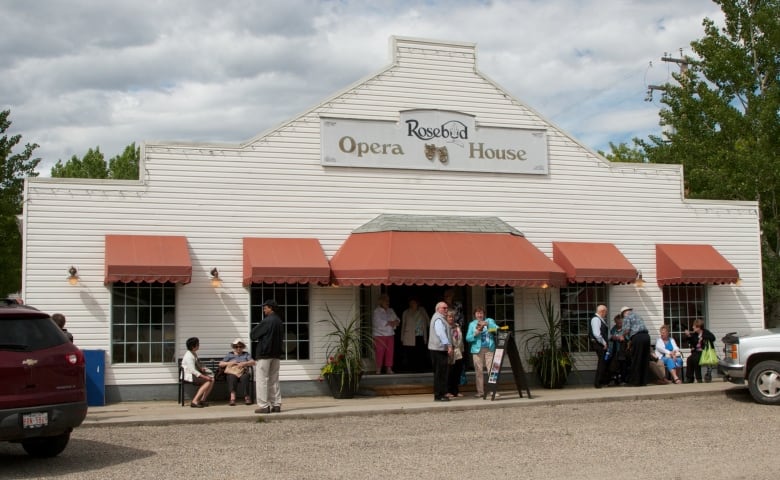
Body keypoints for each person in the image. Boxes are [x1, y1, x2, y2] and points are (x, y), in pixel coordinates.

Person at [250, 299, 284, 414]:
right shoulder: (279, 321)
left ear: (270, 308)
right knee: (274, 379)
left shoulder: (267, 321)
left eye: (265, 307)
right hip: (276, 354)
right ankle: (276, 404)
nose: (264, 309)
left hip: (265, 354)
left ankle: (264, 406)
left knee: (262, 380)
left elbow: (253, 335)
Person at [466, 306, 498, 398]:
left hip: (489, 348)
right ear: (475, 315)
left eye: (481, 313)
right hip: (477, 350)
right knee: (478, 371)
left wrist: (487, 325)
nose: (479, 315)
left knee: (492, 370)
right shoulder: (472, 324)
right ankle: (480, 392)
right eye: (477, 313)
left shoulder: (490, 321)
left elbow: (496, 329)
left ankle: (493, 391)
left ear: (484, 314)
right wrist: (476, 333)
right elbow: (468, 338)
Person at [618, 306, 651, 387]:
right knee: (645, 359)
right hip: (646, 336)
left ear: (624, 313)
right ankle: (644, 381)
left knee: (636, 358)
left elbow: (627, 329)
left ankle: (635, 381)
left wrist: (622, 336)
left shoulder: (627, 317)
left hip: (637, 337)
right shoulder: (638, 316)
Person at [219, 338, 256, 406]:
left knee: (245, 377)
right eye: (236, 346)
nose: (238, 348)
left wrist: (244, 364)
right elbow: (221, 363)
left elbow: (253, 362)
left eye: (240, 346)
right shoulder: (230, 354)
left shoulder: (246, 354)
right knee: (231, 377)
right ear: (234, 347)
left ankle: (247, 397)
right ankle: (232, 398)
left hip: (242, 371)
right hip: (233, 372)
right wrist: (230, 363)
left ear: (243, 347)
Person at [428, 301, 452, 402]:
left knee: (442, 372)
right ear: (438, 309)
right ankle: (439, 395)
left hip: (438, 349)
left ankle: (442, 393)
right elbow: (441, 333)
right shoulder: (438, 318)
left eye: (447, 308)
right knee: (440, 373)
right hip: (438, 349)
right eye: (444, 308)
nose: (446, 310)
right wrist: (448, 345)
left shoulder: (440, 318)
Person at [181, 337, 214, 408]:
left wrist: (201, 368)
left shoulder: (193, 353)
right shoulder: (189, 356)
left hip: (194, 374)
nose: (199, 345)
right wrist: (204, 377)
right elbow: (192, 370)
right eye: (198, 344)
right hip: (189, 375)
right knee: (208, 381)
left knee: (212, 379)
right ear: (193, 346)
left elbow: (197, 363)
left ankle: (202, 400)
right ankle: (194, 401)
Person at [372, 293, 400, 374]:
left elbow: (397, 319)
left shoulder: (391, 310)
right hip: (379, 335)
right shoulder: (377, 311)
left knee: (390, 352)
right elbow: (378, 322)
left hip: (390, 334)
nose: (388, 302)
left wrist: (396, 321)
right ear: (381, 302)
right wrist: (390, 322)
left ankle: (389, 368)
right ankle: (378, 369)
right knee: (380, 352)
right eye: (385, 301)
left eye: (388, 301)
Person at [400, 297, 429, 372]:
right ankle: (411, 369)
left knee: (420, 352)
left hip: (420, 335)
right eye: (411, 303)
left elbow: (428, 321)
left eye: (414, 302)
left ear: (417, 303)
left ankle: (420, 368)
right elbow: (403, 325)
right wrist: (402, 337)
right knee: (411, 353)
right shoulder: (406, 312)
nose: (412, 304)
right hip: (409, 336)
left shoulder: (422, 310)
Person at [683, 318, 717, 383]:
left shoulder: (705, 332)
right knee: (689, 359)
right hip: (697, 351)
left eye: (694, 326)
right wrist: (689, 336)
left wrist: (703, 337)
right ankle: (689, 378)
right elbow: (693, 343)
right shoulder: (695, 334)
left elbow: (713, 338)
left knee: (695, 359)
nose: (693, 327)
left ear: (698, 327)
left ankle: (699, 378)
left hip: (705, 352)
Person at [445, 309, 465, 398]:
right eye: (449, 316)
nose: (451, 318)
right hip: (449, 351)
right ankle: (448, 391)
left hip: (458, 352)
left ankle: (455, 391)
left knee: (457, 372)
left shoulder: (457, 326)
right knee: (449, 373)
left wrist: (462, 350)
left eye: (452, 317)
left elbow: (461, 339)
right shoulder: (445, 327)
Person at [589, 305, 610, 388]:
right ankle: (598, 383)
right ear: (602, 311)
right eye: (606, 312)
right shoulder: (596, 319)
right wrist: (604, 343)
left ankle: (602, 381)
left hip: (600, 344)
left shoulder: (600, 319)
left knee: (603, 362)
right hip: (599, 344)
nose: (606, 314)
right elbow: (597, 334)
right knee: (602, 363)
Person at [607, 314, 629, 385]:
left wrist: (623, 338)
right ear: (615, 322)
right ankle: (614, 379)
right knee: (614, 365)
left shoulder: (625, 329)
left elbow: (628, 339)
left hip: (623, 350)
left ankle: (623, 380)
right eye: (617, 322)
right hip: (614, 349)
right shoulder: (613, 329)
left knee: (623, 365)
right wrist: (615, 337)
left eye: (620, 322)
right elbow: (610, 337)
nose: (619, 324)